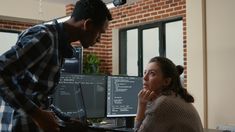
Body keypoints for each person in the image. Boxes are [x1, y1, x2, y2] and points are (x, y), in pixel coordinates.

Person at [0, 0, 112, 131]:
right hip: (20, 126)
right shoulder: (44, 37)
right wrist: (38, 115)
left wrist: (64, 118)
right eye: (100, 33)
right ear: (88, 24)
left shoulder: (59, 45)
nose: (99, 40)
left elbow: (37, 95)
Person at [134, 57, 203, 132]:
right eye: (145, 72)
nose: (144, 77)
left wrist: (141, 105)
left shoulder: (163, 103)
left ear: (166, 81)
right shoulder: (174, 97)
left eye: (152, 73)